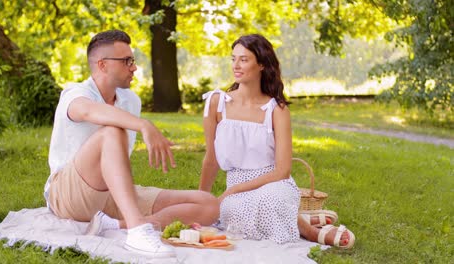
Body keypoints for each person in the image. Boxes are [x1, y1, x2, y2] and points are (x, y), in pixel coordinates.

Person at [44, 29, 219, 258]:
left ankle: (120, 225)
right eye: (126, 61)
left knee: (208, 204)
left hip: (110, 196)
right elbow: (88, 111)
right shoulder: (75, 94)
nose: (134, 67)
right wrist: (144, 125)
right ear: (102, 64)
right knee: (112, 132)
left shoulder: (130, 100)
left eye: (132, 60)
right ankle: (137, 232)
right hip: (68, 196)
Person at [199, 34, 355, 248]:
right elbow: (211, 160)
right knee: (233, 211)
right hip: (236, 182)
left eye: (244, 59)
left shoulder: (277, 109)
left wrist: (231, 192)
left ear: (262, 64)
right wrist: (200, 203)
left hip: (273, 182)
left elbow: (282, 171)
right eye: (233, 58)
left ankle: (308, 231)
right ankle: (300, 221)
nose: (236, 65)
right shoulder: (216, 103)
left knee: (273, 201)